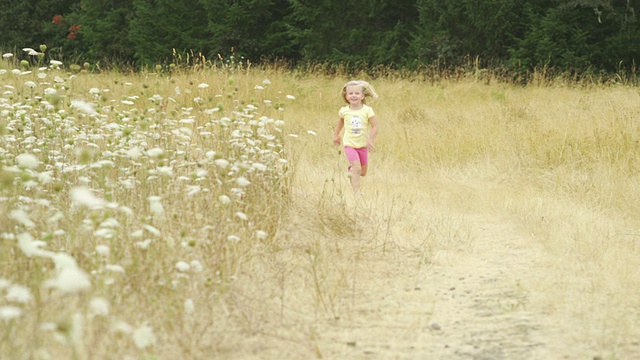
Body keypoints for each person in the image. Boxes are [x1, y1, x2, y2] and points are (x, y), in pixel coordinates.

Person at [333, 80, 379, 194]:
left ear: (362, 96)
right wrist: (336, 135)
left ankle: (351, 170)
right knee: (357, 169)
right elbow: (340, 124)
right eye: (351, 93)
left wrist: (370, 139)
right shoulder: (344, 111)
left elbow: (375, 126)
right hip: (349, 145)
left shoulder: (367, 110)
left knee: (362, 172)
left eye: (357, 93)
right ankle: (356, 193)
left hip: (362, 145)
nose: (354, 96)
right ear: (346, 96)